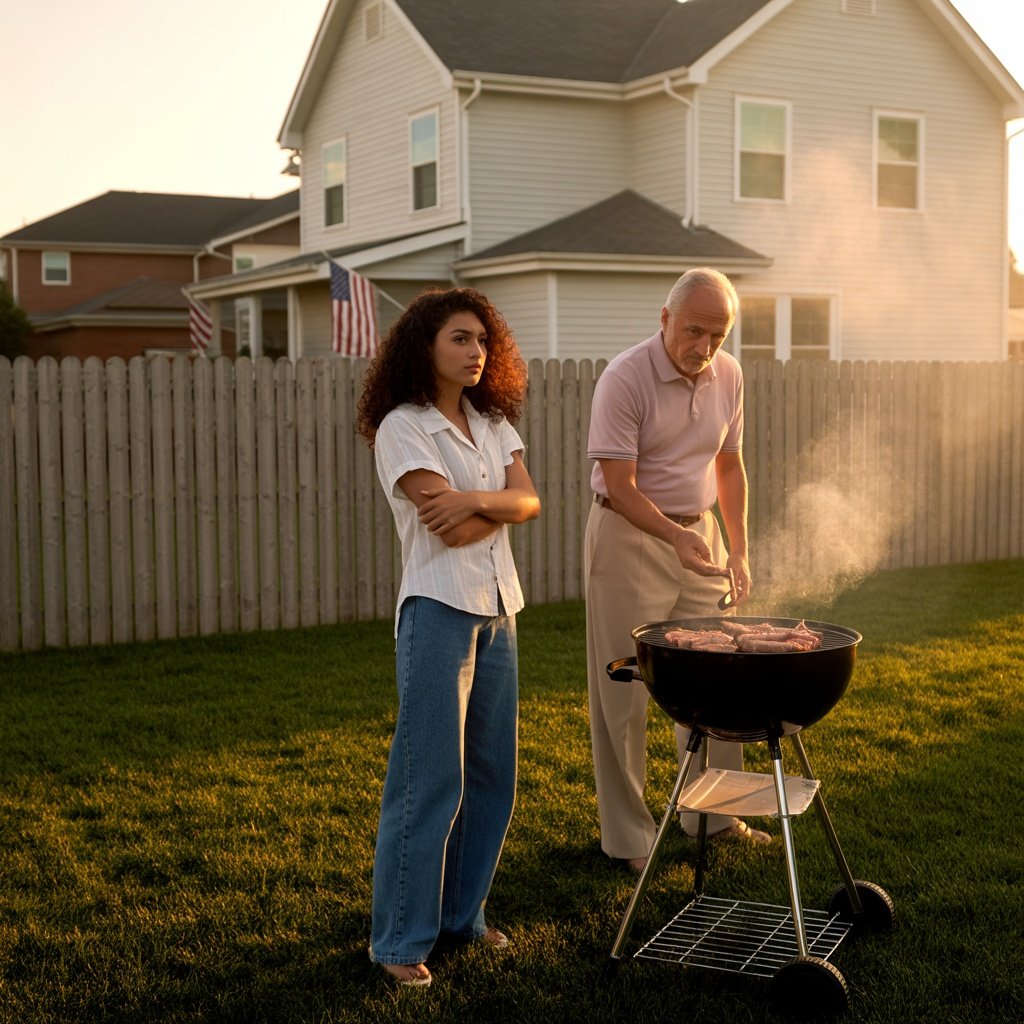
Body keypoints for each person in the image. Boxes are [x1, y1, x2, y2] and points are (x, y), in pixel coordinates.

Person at [357, 287, 540, 988]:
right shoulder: (403, 427)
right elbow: (451, 528)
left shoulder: (493, 423)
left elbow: (530, 501)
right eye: (460, 339)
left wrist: (475, 500)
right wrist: (495, 506)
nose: (476, 352)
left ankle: (464, 918)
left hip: (499, 610)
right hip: (437, 608)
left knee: (493, 777)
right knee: (428, 779)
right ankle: (400, 941)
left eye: (483, 341)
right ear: (424, 347)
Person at [584, 266, 769, 873]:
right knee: (624, 686)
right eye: (694, 331)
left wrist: (737, 549)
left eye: (717, 335)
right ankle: (628, 837)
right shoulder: (624, 377)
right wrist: (675, 536)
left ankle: (714, 815)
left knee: (717, 676)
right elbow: (621, 486)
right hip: (629, 535)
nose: (705, 346)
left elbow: (730, 466)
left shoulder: (730, 374)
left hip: (700, 536)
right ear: (665, 318)